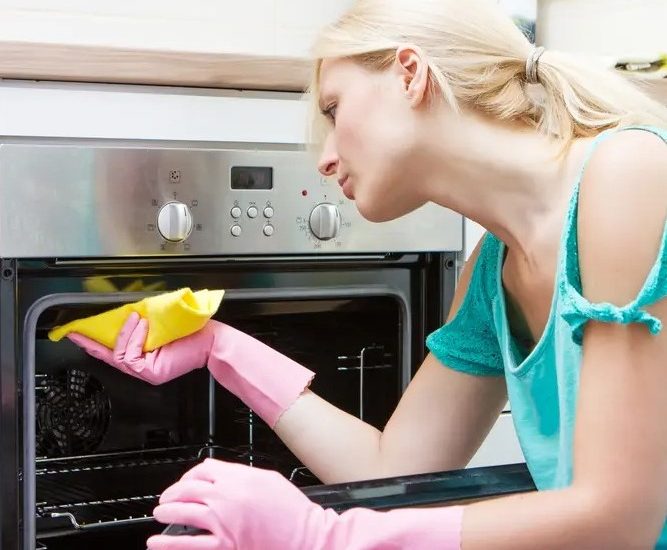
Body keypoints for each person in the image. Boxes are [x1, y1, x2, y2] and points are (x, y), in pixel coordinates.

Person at [67, 0, 667, 548]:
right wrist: (219, 346)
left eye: (333, 109)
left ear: (410, 73)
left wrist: (323, 536)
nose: (325, 157)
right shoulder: (492, 272)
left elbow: (622, 514)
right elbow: (391, 468)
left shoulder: (627, 175)